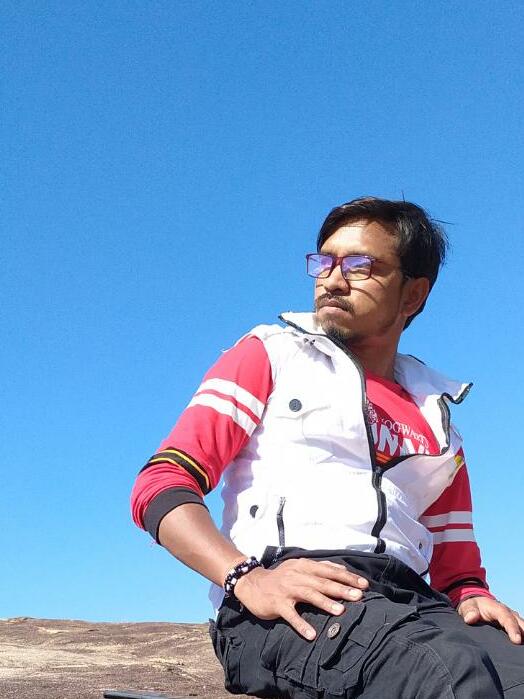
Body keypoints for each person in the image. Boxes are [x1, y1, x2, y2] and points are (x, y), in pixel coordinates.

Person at [131, 197, 524, 698]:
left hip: (412, 604)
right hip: (289, 598)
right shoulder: (270, 354)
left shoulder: (436, 415)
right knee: (447, 674)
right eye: (324, 262)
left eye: (361, 266)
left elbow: (456, 562)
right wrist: (246, 578)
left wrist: (472, 595)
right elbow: (160, 485)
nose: (333, 280)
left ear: (412, 294)